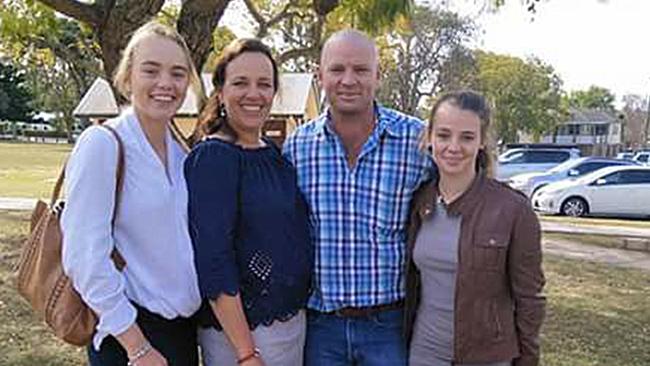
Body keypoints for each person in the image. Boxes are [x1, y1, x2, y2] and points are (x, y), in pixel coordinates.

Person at [283, 29, 433, 366]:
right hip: (321, 325)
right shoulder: (297, 147)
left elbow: (461, 192)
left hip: (389, 325)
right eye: (337, 70)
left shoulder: (417, 141)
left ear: (378, 76)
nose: (348, 80)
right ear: (319, 76)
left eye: (361, 70)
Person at [61, 22, 205, 366]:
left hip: (181, 334)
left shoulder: (182, 152)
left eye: (177, 73)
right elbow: (84, 257)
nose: (165, 84)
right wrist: (136, 346)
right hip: (128, 339)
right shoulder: (104, 144)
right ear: (127, 79)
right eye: (151, 71)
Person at [184, 38, 313, 366]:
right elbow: (214, 261)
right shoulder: (213, 158)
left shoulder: (274, 155)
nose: (253, 94)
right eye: (240, 83)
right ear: (220, 91)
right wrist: (245, 354)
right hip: (243, 338)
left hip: (291, 328)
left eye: (264, 84)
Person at [404, 90, 546, 366]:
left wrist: (528, 359)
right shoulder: (419, 202)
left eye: (467, 137)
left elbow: (530, 299)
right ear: (429, 138)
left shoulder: (512, 209)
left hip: (487, 357)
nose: (453, 147)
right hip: (424, 353)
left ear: (482, 142)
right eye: (443, 135)